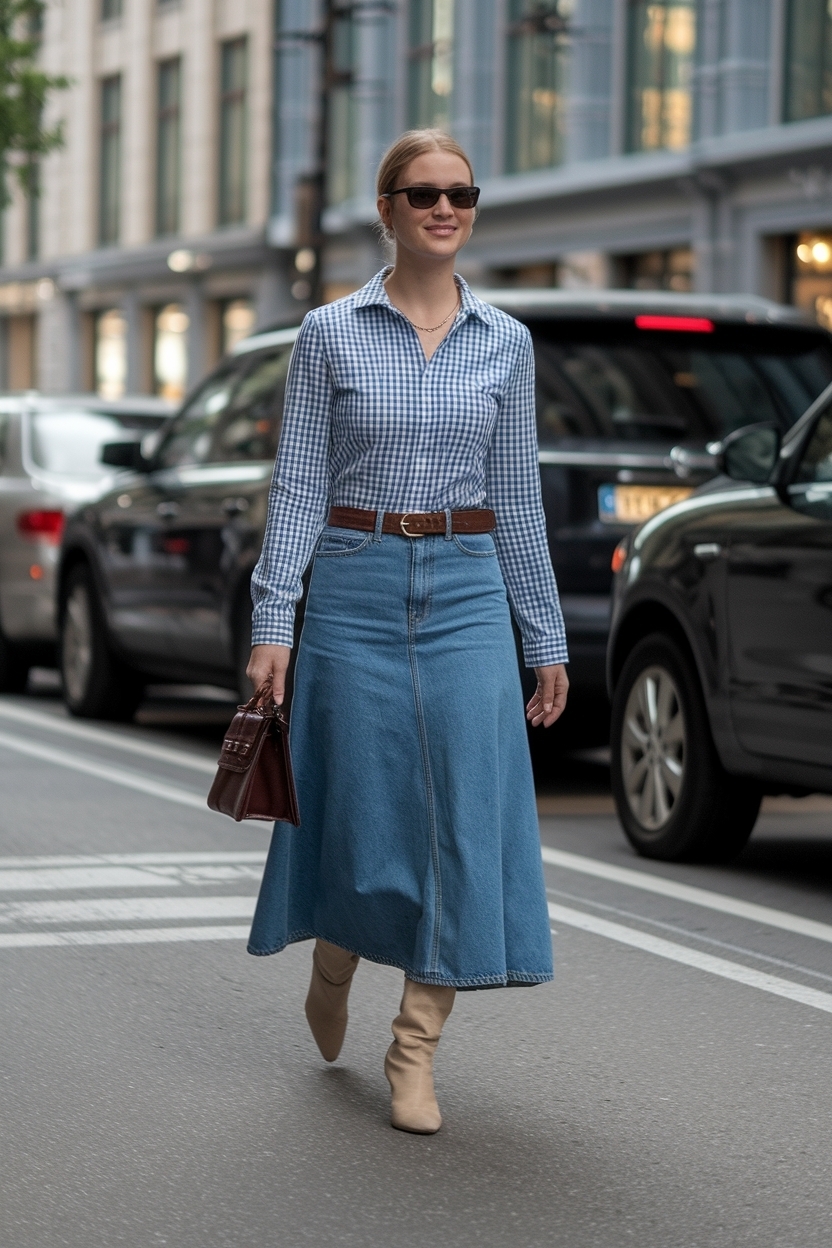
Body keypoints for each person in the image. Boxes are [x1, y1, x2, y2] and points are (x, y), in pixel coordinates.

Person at [245, 128, 569, 1134]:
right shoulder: (329, 334)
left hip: (467, 586)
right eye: (423, 192)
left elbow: (516, 498)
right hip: (353, 581)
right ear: (385, 208)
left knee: (467, 813)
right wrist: (275, 621)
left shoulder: (505, 342)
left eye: (460, 193)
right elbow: (297, 486)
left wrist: (542, 634)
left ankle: (414, 1045)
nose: (444, 207)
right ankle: (336, 955)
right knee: (361, 809)